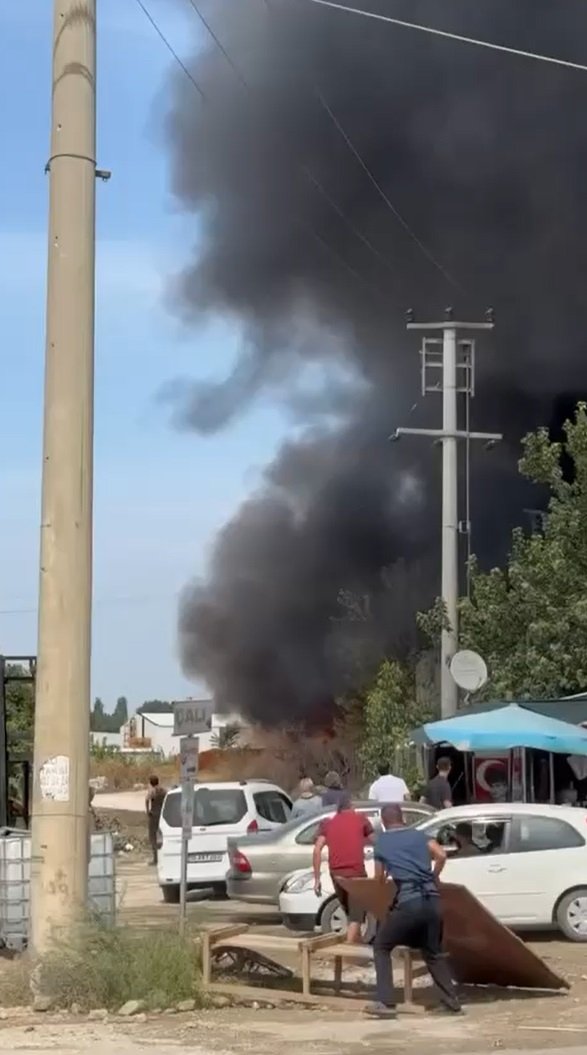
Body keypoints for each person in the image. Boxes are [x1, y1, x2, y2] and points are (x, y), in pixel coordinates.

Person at [368, 803, 462, 1018]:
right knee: (433, 952)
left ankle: (385, 1002)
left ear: (383, 821)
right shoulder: (420, 836)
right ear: (403, 818)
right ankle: (451, 1002)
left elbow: (378, 878)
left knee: (381, 946)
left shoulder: (382, 842)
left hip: (410, 902)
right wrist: (432, 876)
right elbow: (441, 855)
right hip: (433, 901)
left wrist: (386, 878)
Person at [313, 793, 373, 943]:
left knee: (352, 915)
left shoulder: (328, 823)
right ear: (352, 806)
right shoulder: (361, 819)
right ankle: (347, 954)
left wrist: (317, 879)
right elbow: (375, 840)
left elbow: (317, 849)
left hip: (337, 875)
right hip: (356, 874)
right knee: (356, 917)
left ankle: (356, 952)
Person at [146, 775, 166, 865]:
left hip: (154, 815)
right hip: (162, 815)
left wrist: (148, 811)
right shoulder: (164, 790)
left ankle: (156, 859)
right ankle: (163, 857)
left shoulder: (152, 791)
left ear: (150, 782)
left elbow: (147, 800)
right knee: (162, 836)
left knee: (153, 837)